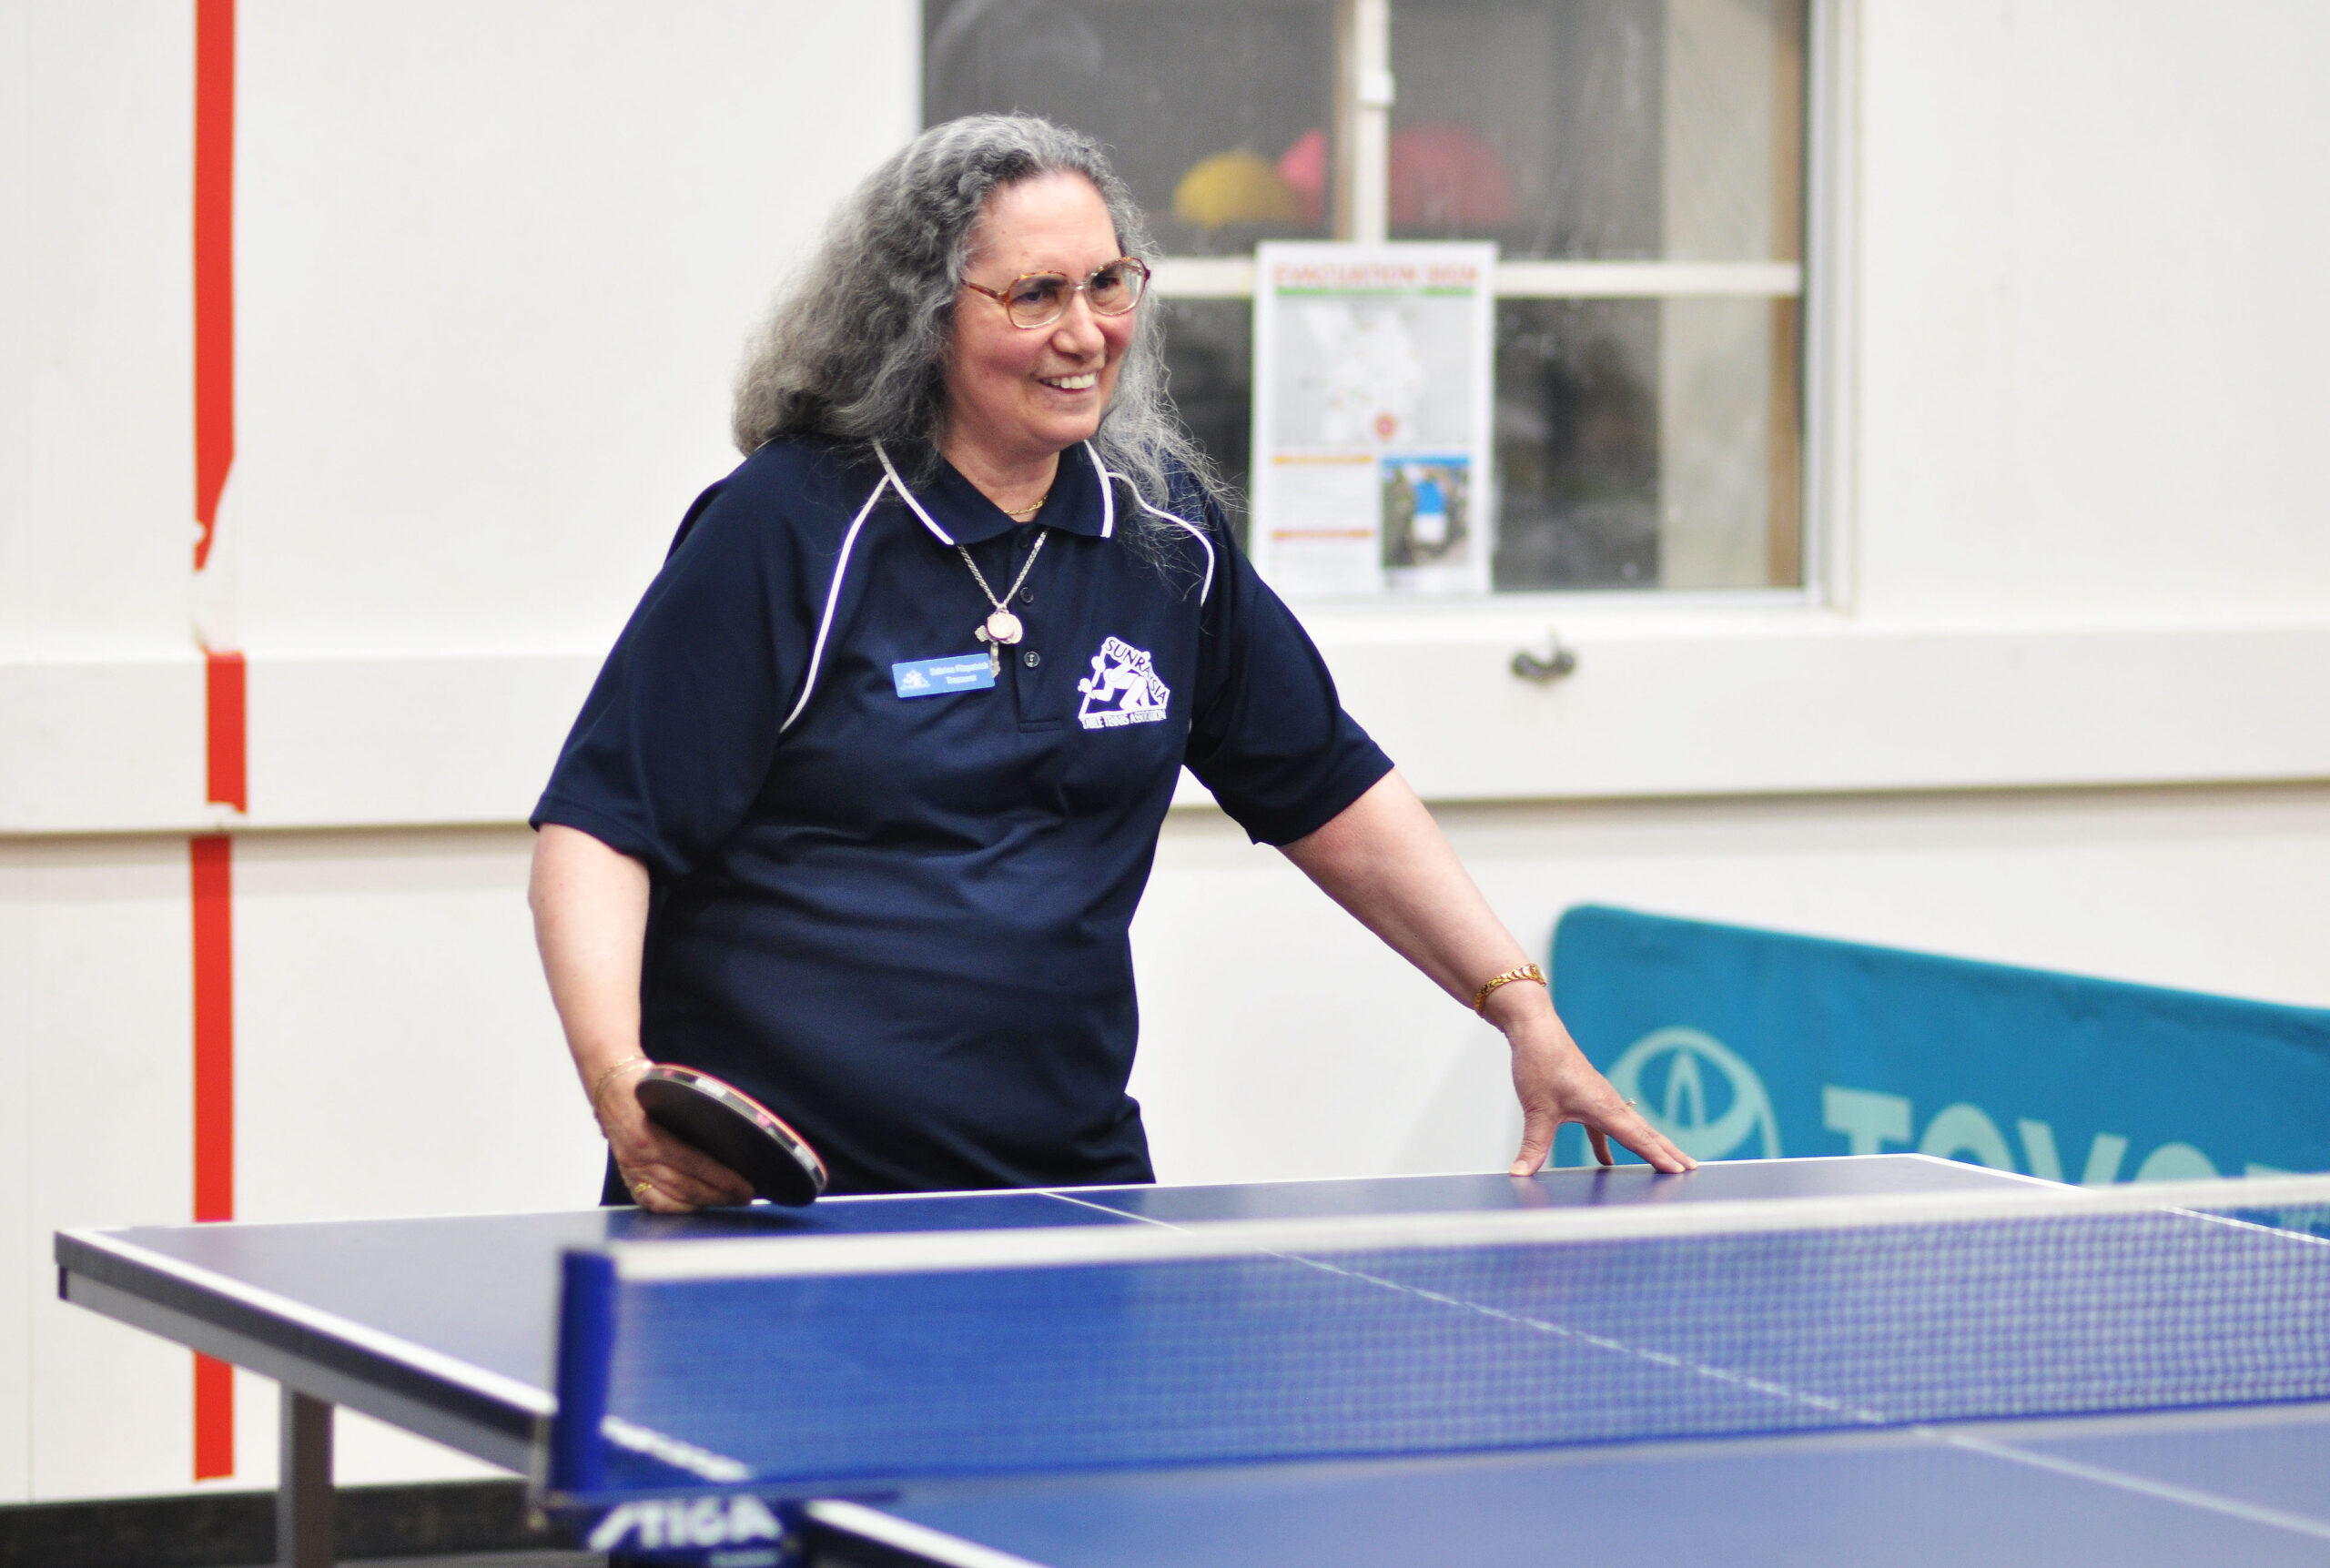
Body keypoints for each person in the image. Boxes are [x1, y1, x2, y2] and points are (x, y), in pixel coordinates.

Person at [528, 115, 1690, 1212]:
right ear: (920, 317)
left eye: (1107, 283)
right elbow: (603, 828)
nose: (1085, 333)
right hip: (781, 1197)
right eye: (1034, 294)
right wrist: (617, 1080)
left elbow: (1326, 783)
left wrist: (1520, 1010)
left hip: (1066, 1184)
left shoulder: (1159, 531)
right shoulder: (789, 526)